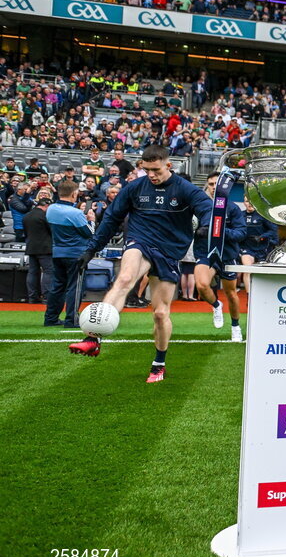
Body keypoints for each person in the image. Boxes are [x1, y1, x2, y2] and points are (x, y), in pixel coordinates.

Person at [68, 146, 213, 384]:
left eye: (155, 170)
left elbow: (207, 209)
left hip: (169, 251)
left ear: (169, 165)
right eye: (146, 170)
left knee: (160, 313)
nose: (151, 175)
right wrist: (91, 249)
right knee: (125, 278)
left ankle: (159, 363)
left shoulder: (185, 189)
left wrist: (205, 225)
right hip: (141, 240)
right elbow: (112, 219)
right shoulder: (135, 187)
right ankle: (93, 339)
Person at [192, 175, 246, 342]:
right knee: (201, 285)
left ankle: (235, 326)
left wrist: (219, 232)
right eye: (211, 184)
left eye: (217, 184)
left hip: (227, 255)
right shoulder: (200, 207)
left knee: (231, 293)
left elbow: (241, 233)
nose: (214, 187)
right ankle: (216, 305)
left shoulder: (233, 208)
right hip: (205, 254)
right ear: (207, 186)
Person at [44, 180, 93, 328]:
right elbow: (89, 233)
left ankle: (51, 318)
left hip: (57, 252)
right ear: (74, 194)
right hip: (75, 253)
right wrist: (91, 221)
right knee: (75, 287)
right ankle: (72, 319)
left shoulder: (51, 209)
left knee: (57, 286)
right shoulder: (76, 213)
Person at [239, 197, 278, 293]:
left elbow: (273, 230)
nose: (250, 203)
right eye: (247, 201)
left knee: (263, 273)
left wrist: (262, 237)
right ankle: (249, 296)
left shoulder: (262, 215)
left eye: (252, 200)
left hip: (262, 249)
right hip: (247, 248)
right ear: (244, 203)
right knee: (248, 269)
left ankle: (264, 293)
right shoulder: (240, 216)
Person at [23, 189, 54, 304]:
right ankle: (46, 297)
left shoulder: (27, 216)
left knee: (32, 272)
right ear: (46, 205)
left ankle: (32, 297)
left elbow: (25, 232)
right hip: (45, 248)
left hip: (31, 247)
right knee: (48, 272)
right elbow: (51, 231)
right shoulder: (45, 216)